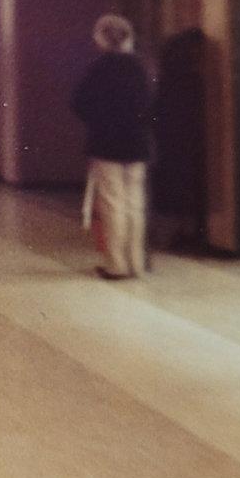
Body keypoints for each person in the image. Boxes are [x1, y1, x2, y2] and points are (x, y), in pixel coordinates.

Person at [71, 14, 153, 281]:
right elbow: (154, 105)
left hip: (106, 143)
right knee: (135, 204)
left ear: (102, 38)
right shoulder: (142, 68)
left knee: (113, 203)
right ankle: (136, 263)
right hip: (138, 142)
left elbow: (78, 103)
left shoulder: (99, 69)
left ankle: (117, 264)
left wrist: (99, 119)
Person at [152, 28, 208, 251]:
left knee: (175, 188)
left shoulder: (167, 79)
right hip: (189, 141)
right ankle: (188, 233)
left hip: (170, 140)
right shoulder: (193, 80)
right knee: (189, 187)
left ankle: (176, 233)